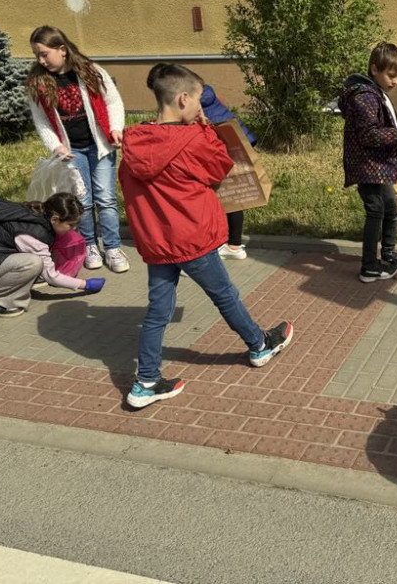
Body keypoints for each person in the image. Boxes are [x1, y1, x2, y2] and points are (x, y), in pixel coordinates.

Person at [118, 63, 293, 409]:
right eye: (199, 100)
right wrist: (205, 128)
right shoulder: (193, 138)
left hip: (158, 243)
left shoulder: (136, 141)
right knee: (225, 294)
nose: (201, 108)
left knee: (158, 311)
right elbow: (220, 166)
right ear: (183, 99)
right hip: (192, 239)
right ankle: (259, 345)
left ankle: (146, 382)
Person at [26, 26, 130, 274]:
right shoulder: (37, 82)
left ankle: (113, 248)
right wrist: (57, 146)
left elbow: (113, 101)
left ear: (62, 50)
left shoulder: (91, 71)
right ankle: (90, 246)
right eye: (37, 55)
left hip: (100, 147)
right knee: (82, 200)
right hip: (72, 152)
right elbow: (41, 121)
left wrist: (116, 128)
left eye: (44, 54)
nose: (41, 60)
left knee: (106, 198)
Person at [339, 42, 397, 283]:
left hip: (378, 165)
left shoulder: (376, 92)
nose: (395, 81)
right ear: (374, 69)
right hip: (367, 166)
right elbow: (369, 135)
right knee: (376, 211)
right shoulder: (365, 96)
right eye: (391, 75)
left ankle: (388, 254)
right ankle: (369, 266)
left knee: (390, 206)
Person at [0, 192, 106, 318]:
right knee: (33, 263)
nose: (74, 229)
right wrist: (85, 284)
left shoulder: (37, 212)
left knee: (38, 261)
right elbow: (51, 277)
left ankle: (12, 283)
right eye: (71, 225)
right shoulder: (33, 234)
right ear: (55, 219)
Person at [199, 83, 257, 261]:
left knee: (218, 197)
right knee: (233, 197)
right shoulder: (214, 101)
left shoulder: (201, 113)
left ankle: (219, 244)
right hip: (238, 150)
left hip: (221, 155)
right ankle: (235, 245)